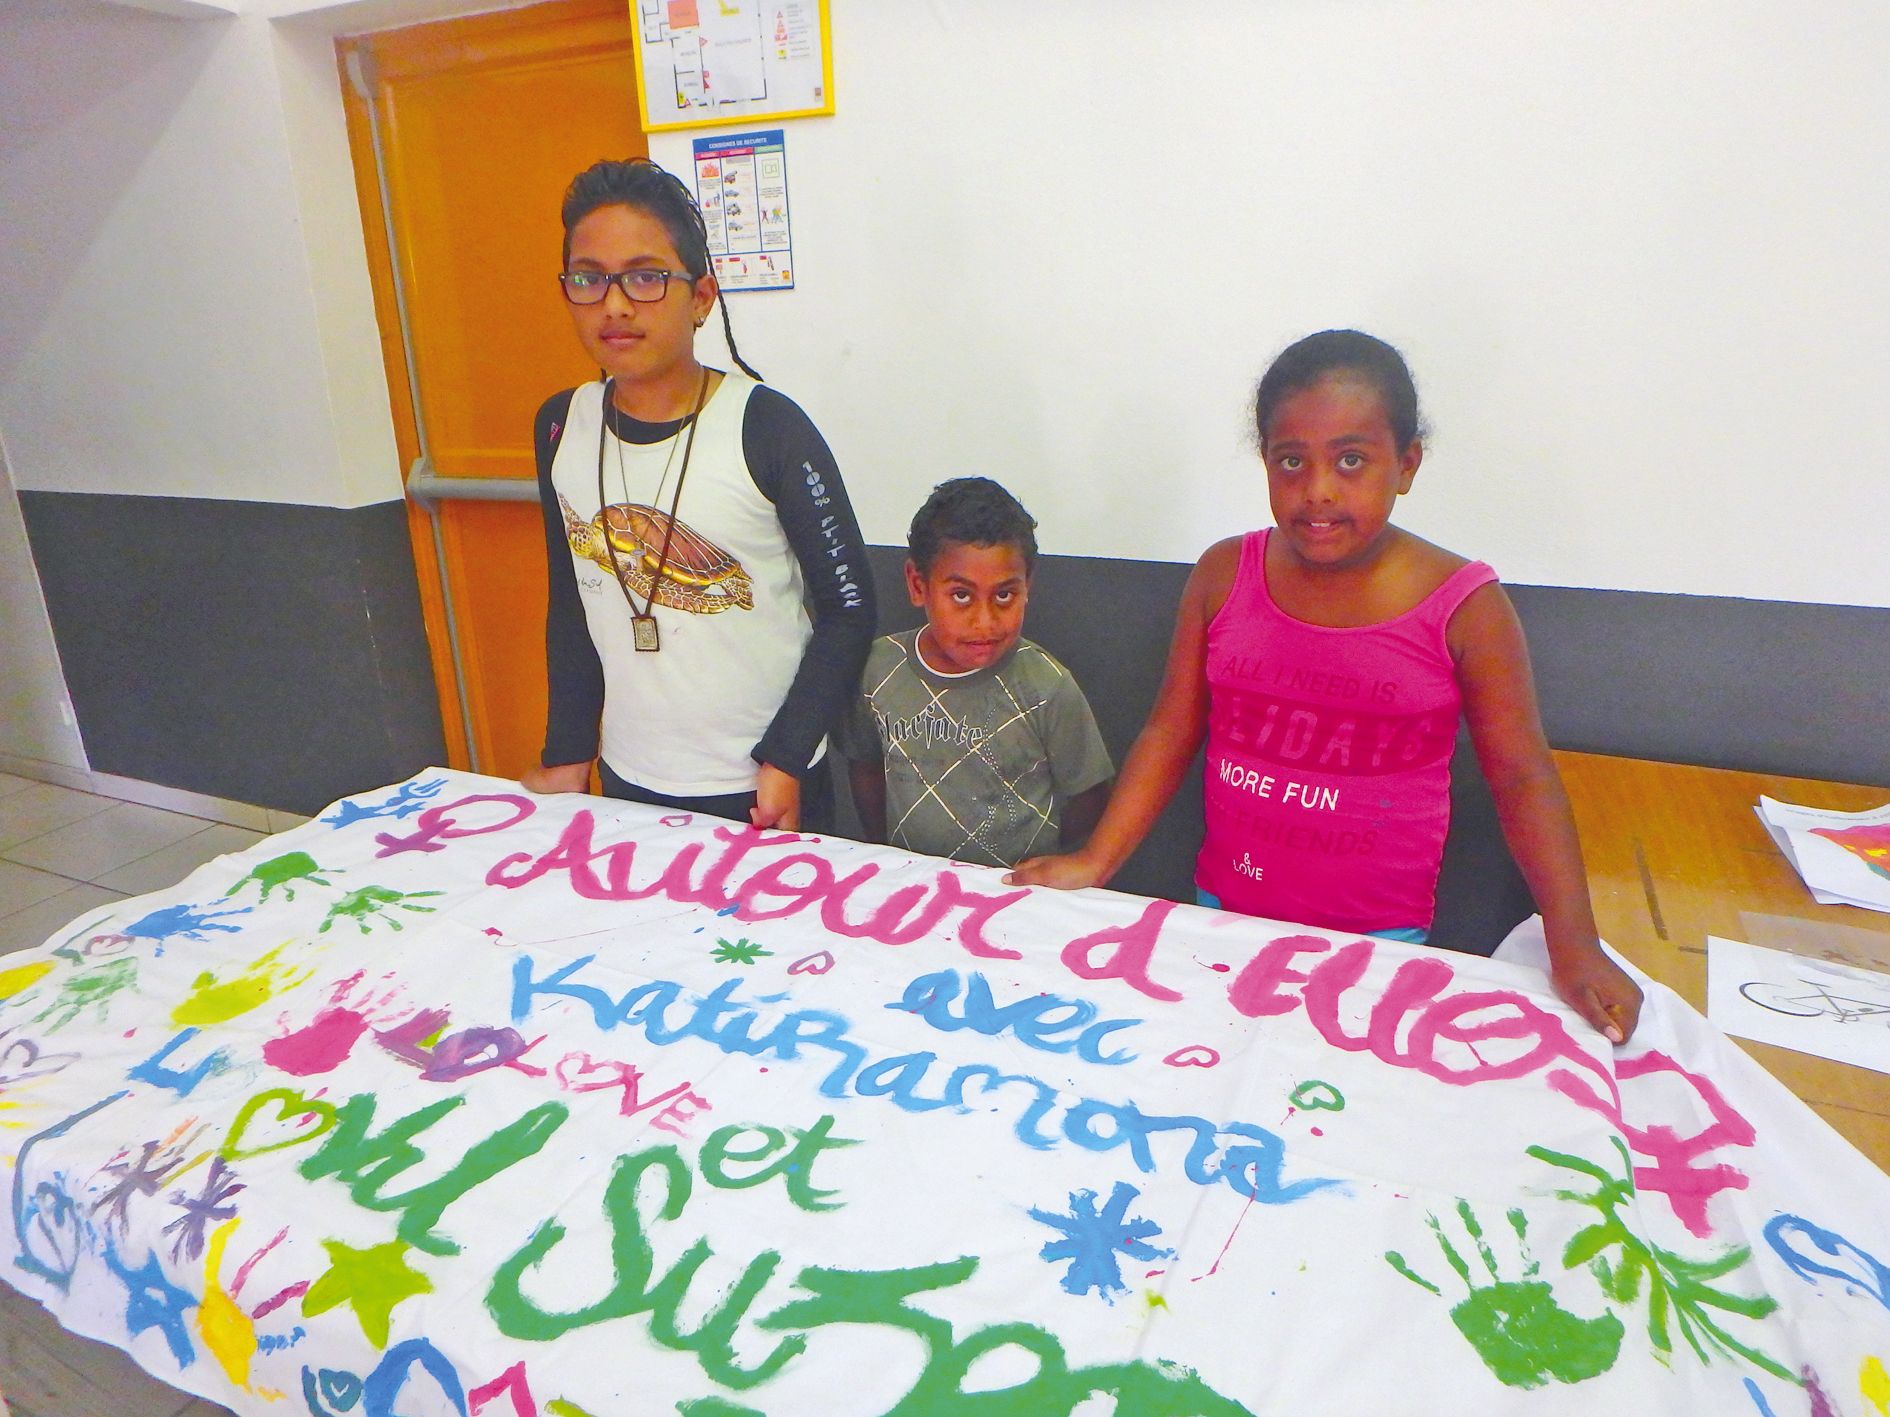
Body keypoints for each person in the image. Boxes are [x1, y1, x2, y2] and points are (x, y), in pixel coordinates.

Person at [1008, 330, 1643, 1043]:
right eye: (1291, 460)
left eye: (1350, 459)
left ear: (1406, 465)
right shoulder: (1223, 576)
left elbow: (1523, 778)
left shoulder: (1466, 607)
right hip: (1225, 915)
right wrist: (1097, 860)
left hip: (1378, 944)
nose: (1318, 490)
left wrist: (1574, 943)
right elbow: (1170, 730)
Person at [521, 157, 874, 831]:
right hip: (631, 777)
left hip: (762, 784)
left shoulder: (766, 426)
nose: (615, 304)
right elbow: (572, 602)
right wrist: (568, 750)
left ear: (703, 297)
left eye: (647, 277)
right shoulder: (561, 425)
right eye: (589, 279)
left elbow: (849, 608)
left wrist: (787, 756)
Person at [842, 477, 1113, 868]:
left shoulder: (1046, 687)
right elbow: (865, 766)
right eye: (961, 595)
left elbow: (1090, 794)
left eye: (1004, 595)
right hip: (908, 884)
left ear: (1027, 586)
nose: (984, 622)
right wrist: (882, 847)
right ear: (919, 585)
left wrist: (1044, 854)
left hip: (1014, 896)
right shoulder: (878, 671)